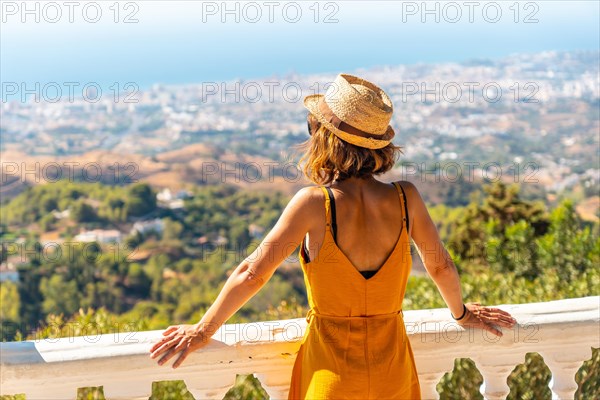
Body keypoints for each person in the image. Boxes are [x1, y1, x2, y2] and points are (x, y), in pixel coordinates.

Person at [150, 73, 517, 398]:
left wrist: (202, 329)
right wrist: (461, 313)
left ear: (325, 140)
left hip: (330, 375)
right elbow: (440, 266)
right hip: (393, 372)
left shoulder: (313, 204)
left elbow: (252, 273)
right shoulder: (407, 198)